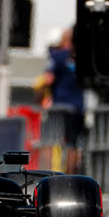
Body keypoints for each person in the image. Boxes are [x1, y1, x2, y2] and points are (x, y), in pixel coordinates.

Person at [42, 26, 85, 172]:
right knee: (73, 144)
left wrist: (41, 94)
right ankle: (70, 175)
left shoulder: (58, 56)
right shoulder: (83, 58)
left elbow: (48, 79)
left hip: (59, 105)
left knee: (50, 140)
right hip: (78, 106)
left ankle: (47, 173)